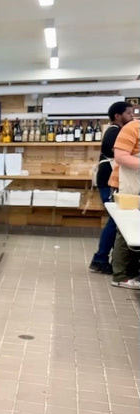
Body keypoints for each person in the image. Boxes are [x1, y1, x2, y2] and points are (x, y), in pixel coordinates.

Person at [89, 101, 134, 274]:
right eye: (129, 113)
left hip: (111, 181)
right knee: (115, 220)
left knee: (115, 220)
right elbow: (122, 155)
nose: (132, 116)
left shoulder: (116, 132)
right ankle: (100, 259)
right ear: (118, 116)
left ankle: (104, 259)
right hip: (109, 182)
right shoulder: (114, 132)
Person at [108, 118, 140, 289]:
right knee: (127, 229)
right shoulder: (133, 128)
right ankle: (120, 276)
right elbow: (120, 156)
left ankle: (134, 273)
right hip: (127, 188)